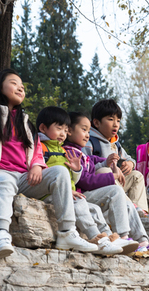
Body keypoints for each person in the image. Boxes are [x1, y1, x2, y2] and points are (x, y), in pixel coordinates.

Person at [0, 67, 97, 258]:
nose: (20, 88)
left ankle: (67, 232)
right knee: (3, 182)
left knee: (60, 172)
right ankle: (1, 233)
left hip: (23, 178)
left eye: (22, 86)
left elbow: (36, 149)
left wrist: (37, 166)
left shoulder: (25, 122)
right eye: (14, 83)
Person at [36, 106, 123, 255]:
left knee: (94, 208)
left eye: (65, 130)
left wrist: (76, 171)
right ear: (43, 128)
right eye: (59, 129)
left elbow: (72, 180)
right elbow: (42, 174)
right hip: (51, 194)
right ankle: (97, 239)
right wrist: (65, 191)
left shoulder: (63, 151)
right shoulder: (41, 148)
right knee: (80, 203)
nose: (63, 134)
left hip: (70, 193)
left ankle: (109, 238)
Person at [64, 111, 149, 253]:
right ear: (68, 131)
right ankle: (123, 236)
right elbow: (85, 181)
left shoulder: (79, 152)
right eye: (83, 130)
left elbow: (92, 161)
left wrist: (107, 161)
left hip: (88, 194)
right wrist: (113, 177)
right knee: (116, 191)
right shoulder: (70, 153)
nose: (87, 135)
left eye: (88, 130)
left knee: (127, 205)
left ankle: (143, 241)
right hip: (83, 194)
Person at [87, 99, 149, 218]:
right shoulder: (89, 141)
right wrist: (109, 168)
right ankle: (129, 207)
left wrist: (130, 163)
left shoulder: (115, 143)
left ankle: (141, 211)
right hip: (99, 185)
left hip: (117, 184)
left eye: (118, 121)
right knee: (105, 171)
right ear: (97, 123)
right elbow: (86, 167)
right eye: (110, 119)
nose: (116, 124)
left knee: (137, 176)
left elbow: (129, 158)